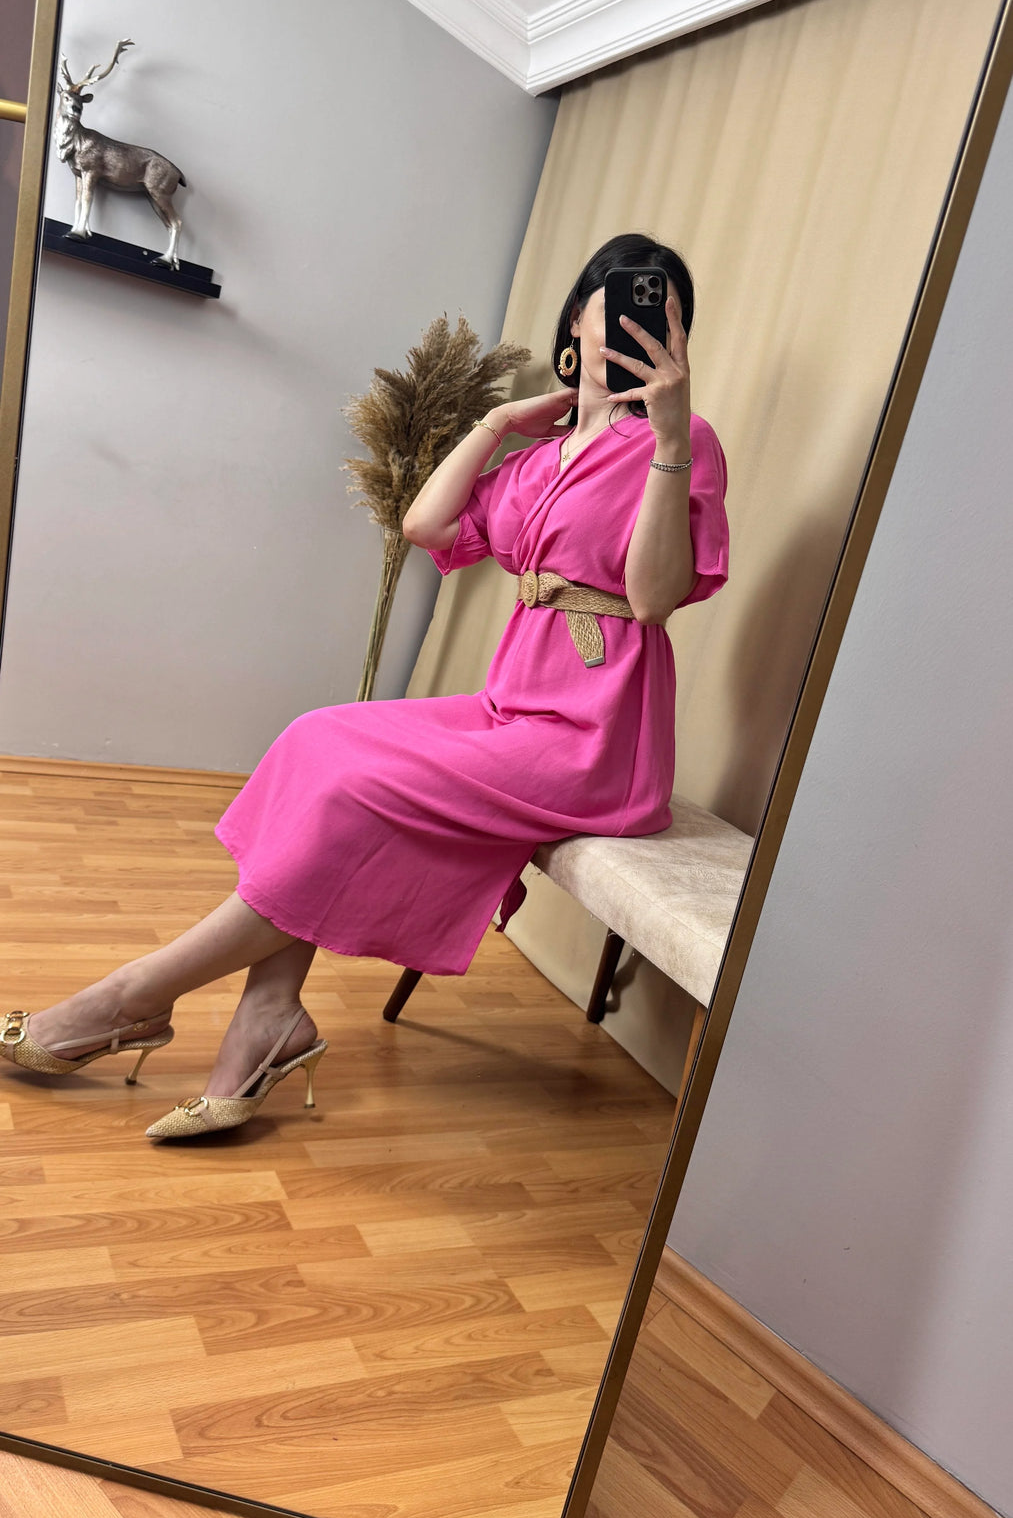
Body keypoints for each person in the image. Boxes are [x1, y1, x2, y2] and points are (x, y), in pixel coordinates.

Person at [1, 232, 729, 1139]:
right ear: (574, 324)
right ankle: (270, 1017)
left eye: (659, 307)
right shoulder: (538, 455)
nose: (634, 318)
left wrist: (669, 433)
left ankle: (132, 996)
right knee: (319, 738)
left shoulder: (682, 441)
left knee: (354, 788)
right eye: (612, 299)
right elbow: (428, 525)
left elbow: (653, 600)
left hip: (596, 734)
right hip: (512, 701)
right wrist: (498, 424)